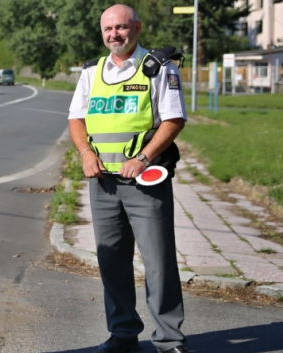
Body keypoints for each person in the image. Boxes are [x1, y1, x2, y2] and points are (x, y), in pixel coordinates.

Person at [67, 4, 190, 353]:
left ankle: (169, 340)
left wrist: (143, 157)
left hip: (145, 181)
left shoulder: (157, 68)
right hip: (103, 183)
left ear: (136, 28)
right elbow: (77, 120)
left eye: (121, 28)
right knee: (111, 262)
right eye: (108, 29)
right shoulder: (92, 72)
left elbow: (174, 119)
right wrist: (85, 154)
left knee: (158, 262)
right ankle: (122, 334)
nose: (114, 35)